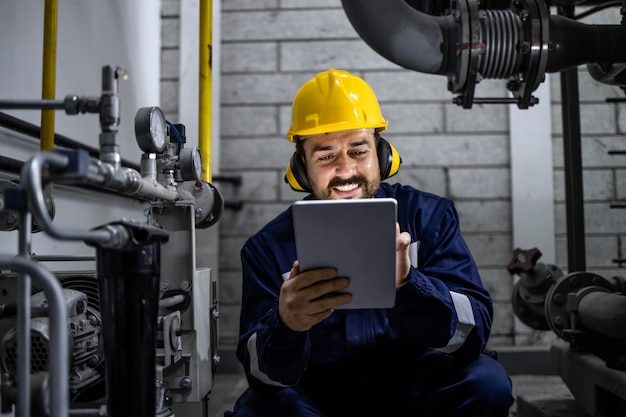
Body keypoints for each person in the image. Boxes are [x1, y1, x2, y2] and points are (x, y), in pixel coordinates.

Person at [232, 68, 514, 416]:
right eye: (325, 156)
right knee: (258, 410)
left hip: (416, 388)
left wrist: (413, 285)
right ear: (302, 168)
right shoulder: (267, 249)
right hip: (318, 398)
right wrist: (286, 324)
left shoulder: (430, 218)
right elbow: (262, 376)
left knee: (487, 383)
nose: (345, 170)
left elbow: (473, 336)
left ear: (381, 155)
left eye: (358, 151)